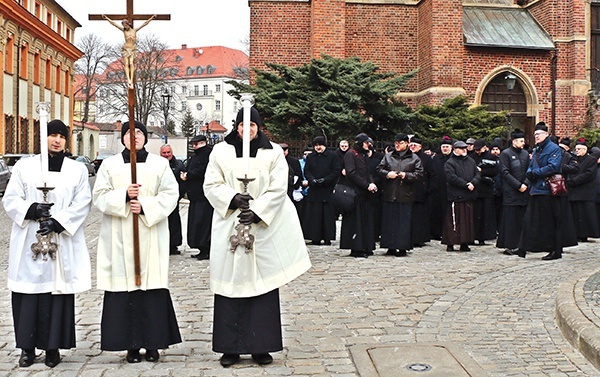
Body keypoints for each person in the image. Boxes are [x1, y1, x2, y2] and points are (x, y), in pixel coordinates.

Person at [203, 107, 311, 367]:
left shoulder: (272, 152)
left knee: (262, 285)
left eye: (252, 125)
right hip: (230, 222)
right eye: (243, 125)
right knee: (230, 287)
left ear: (259, 128)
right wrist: (233, 199)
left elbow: (278, 187)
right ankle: (230, 348)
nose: (247, 129)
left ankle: (261, 345)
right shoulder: (221, 151)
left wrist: (257, 211)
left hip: (261, 228)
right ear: (237, 126)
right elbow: (211, 184)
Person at [2, 120, 91, 368]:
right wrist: (31, 209)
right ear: (44, 138)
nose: (56, 140)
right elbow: (10, 199)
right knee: (28, 294)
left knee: (56, 292)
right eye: (52, 135)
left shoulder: (77, 170)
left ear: (66, 140)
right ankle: (27, 349)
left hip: (60, 241)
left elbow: (83, 202)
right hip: (30, 237)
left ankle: (53, 348)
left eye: (61, 136)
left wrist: (58, 222)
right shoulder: (25, 167)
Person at [93, 120, 181, 363]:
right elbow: (98, 196)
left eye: (139, 133)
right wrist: (123, 195)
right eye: (129, 133)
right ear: (122, 138)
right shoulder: (109, 165)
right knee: (125, 289)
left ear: (145, 137)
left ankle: (153, 344)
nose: (134, 137)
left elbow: (171, 194)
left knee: (151, 288)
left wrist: (145, 206)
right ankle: (130, 345)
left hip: (150, 233)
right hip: (120, 235)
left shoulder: (159, 164)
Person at [517, 122, 578, 260]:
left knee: (551, 221)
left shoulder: (553, 149)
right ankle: (523, 247)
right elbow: (530, 165)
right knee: (529, 220)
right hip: (536, 189)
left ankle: (555, 250)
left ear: (546, 134)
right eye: (535, 135)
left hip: (548, 190)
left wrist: (535, 173)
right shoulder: (536, 149)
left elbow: (554, 167)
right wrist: (529, 173)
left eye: (539, 134)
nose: (536, 136)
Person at [376, 133, 424, 256]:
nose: (397, 145)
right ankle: (390, 246)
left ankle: (402, 247)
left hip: (405, 193)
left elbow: (420, 174)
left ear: (406, 143)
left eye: (400, 143)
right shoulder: (388, 156)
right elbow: (379, 169)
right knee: (389, 221)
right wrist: (387, 174)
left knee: (403, 222)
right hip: (390, 192)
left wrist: (406, 175)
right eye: (396, 143)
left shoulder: (414, 158)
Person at [340, 133, 379, 258]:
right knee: (355, 221)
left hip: (365, 194)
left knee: (365, 220)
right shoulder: (351, 154)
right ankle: (356, 247)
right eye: (366, 143)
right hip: (355, 193)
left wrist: (372, 183)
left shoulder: (364, 155)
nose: (369, 145)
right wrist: (366, 184)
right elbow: (351, 173)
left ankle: (366, 245)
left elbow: (368, 172)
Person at [442, 140, 481, 252]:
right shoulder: (450, 162)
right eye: (461, 148)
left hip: (468, 195)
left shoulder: (471, 161)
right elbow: (451, 177)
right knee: (454, 221)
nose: (464, 150)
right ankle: (451, 243)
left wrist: (473, 182)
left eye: (465, 148)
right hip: (456, 195)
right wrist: (465, 184)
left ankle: (465, 242)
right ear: (455, 149)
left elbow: (477, 173)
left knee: (467, 221)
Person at [303, 136, 342, 245]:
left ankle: (327, 237)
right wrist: (312, 180)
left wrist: (325, 180)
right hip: (314, 189)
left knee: (327, 216)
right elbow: (307, 171)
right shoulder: (311, 157)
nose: (318, 147)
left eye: (320, 145)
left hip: (327, 189)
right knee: (314, 215)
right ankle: (315, 237)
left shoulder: (332, 156)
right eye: (316, 145)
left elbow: (336, 171)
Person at [497, 129, 530, 255]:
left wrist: (526, 183)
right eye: (521, 141)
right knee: (511, 220)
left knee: (522, 219)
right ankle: (510, 245)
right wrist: (517, 185)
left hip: (524, 191)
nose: (523, 143)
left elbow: (529, 170)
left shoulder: (525, 154)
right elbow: (505, 172)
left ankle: (522, 244)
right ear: (514, 141)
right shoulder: (505, 154)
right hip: (511, 191)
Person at [181, 134, 214, 260]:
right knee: (197, 223)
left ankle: (205, 248)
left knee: (203, 222)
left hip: (204, 196)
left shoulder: (207, 154)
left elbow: (202, 170)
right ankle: (201, 248)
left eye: (197, 144)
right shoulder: (196, 155)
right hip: (195, 195)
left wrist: (188, 175)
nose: (194, 146)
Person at [102, 14, 156, 89]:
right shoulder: (124, 31)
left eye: (125, 25)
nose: (125, 27)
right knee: (127, 64)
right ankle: (129, 81)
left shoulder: (134, 30)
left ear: (128, 24)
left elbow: (144, 24)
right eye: (123, 26)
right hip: (126, 48)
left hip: (133, 48)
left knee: (131, 63)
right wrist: (107, 18)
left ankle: (131, 80)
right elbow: (114, 24)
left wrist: (152, 18)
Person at [567, 138, 600, 242]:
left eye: (580, 149)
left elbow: (589, 174)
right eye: (576, 149)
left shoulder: (590, 160)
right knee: (576, 214)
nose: (577, 151)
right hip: (575, 191)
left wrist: (574, 181)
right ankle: (577, 233)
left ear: (585, 150)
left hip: (585, 191)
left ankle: (584, 234)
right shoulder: (574, 160)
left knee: (585, 214)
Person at [408, 136, 436, 247]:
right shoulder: (406, 157)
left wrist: (429, 189)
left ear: (420, 146)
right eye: (411, 145)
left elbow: (432, 175)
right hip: (408, 190)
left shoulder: (426, 158)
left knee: (420, 217)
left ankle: (419, 238)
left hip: (421, 191)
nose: (412, 147)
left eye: (415, 145)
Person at [471, 139, 499, 245]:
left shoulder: (490, 157)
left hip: (487, 189)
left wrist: (481, 172)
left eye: (479, 149)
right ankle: (473, 236)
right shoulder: (472, 157)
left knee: (485, 215)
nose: (477, 152)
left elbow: (495, 171)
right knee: (475, 215)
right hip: (476, 190)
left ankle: (483, 237)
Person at [160, 144, 185, 255]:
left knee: (174, 222)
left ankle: (174, 245)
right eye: (164, 153)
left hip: (174, 199)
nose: (166, 155)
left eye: (168, 152)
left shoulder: (179, 164)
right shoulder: (157, 165)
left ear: (172, 152)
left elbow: (184, 181)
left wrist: (180, 195)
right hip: (161, 198)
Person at [429, 136, 453, 239]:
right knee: (437, 211)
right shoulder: (436, 158)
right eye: (443, 147)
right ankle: (437, 232)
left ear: (451, 147)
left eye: (447, 147)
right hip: (438, 189)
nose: (445, 149)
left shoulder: (453, 158)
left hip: (450, 189)